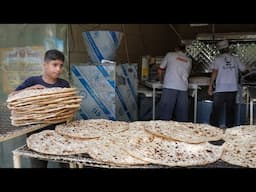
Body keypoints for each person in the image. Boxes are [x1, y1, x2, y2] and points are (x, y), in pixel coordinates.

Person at [10, 49, 70, 168]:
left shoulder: (64, 84)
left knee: (65, 164)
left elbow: (68, 108)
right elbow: (12, 96)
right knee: (38, 165)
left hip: (60, 132)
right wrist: (29, 89)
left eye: (61, 65)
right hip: (36, 134)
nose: (58, 69)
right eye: (55, 65)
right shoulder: (32, 81)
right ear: (45, 65)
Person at [208, 40, 248, 128]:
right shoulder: (235, 58)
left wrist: (210, 86)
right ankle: (230, 130)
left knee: (216, 111)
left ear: (220, 50)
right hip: (232, 89)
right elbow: (244, 69)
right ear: (228, 48)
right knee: (230, 111)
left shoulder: (217, 59)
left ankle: (213, 130)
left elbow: (214, 72)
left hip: (220, 89)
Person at [157, 43, 192, 122]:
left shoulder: (170, 55)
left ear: (176, 49)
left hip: (169, 86)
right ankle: (182, 133)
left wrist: (161, 80)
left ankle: (163, 132)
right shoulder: (189, 60)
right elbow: (187, 74)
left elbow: (160, 70)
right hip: (183, 89)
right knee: (182, 117)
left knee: (165, 115)